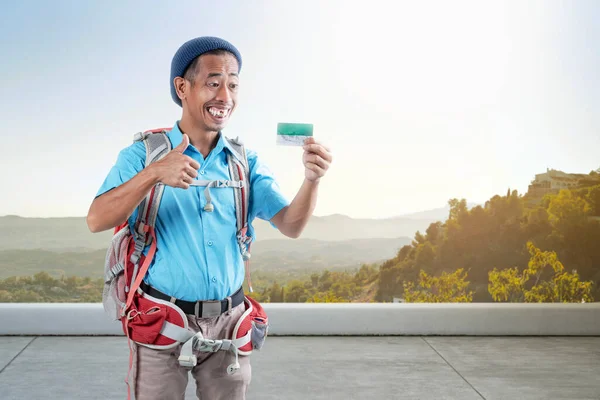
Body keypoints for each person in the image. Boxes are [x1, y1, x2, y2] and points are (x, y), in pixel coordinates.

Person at [86, 36, 332, 399]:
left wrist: (312, 180)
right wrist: (154, 173)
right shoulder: (143, 154)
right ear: (182, 88)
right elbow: (96, 218)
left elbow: (291, 225)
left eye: (233, 84)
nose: (225, 97)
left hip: (231, 328)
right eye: (213, 82)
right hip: (161, 323)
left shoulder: (244, 163)